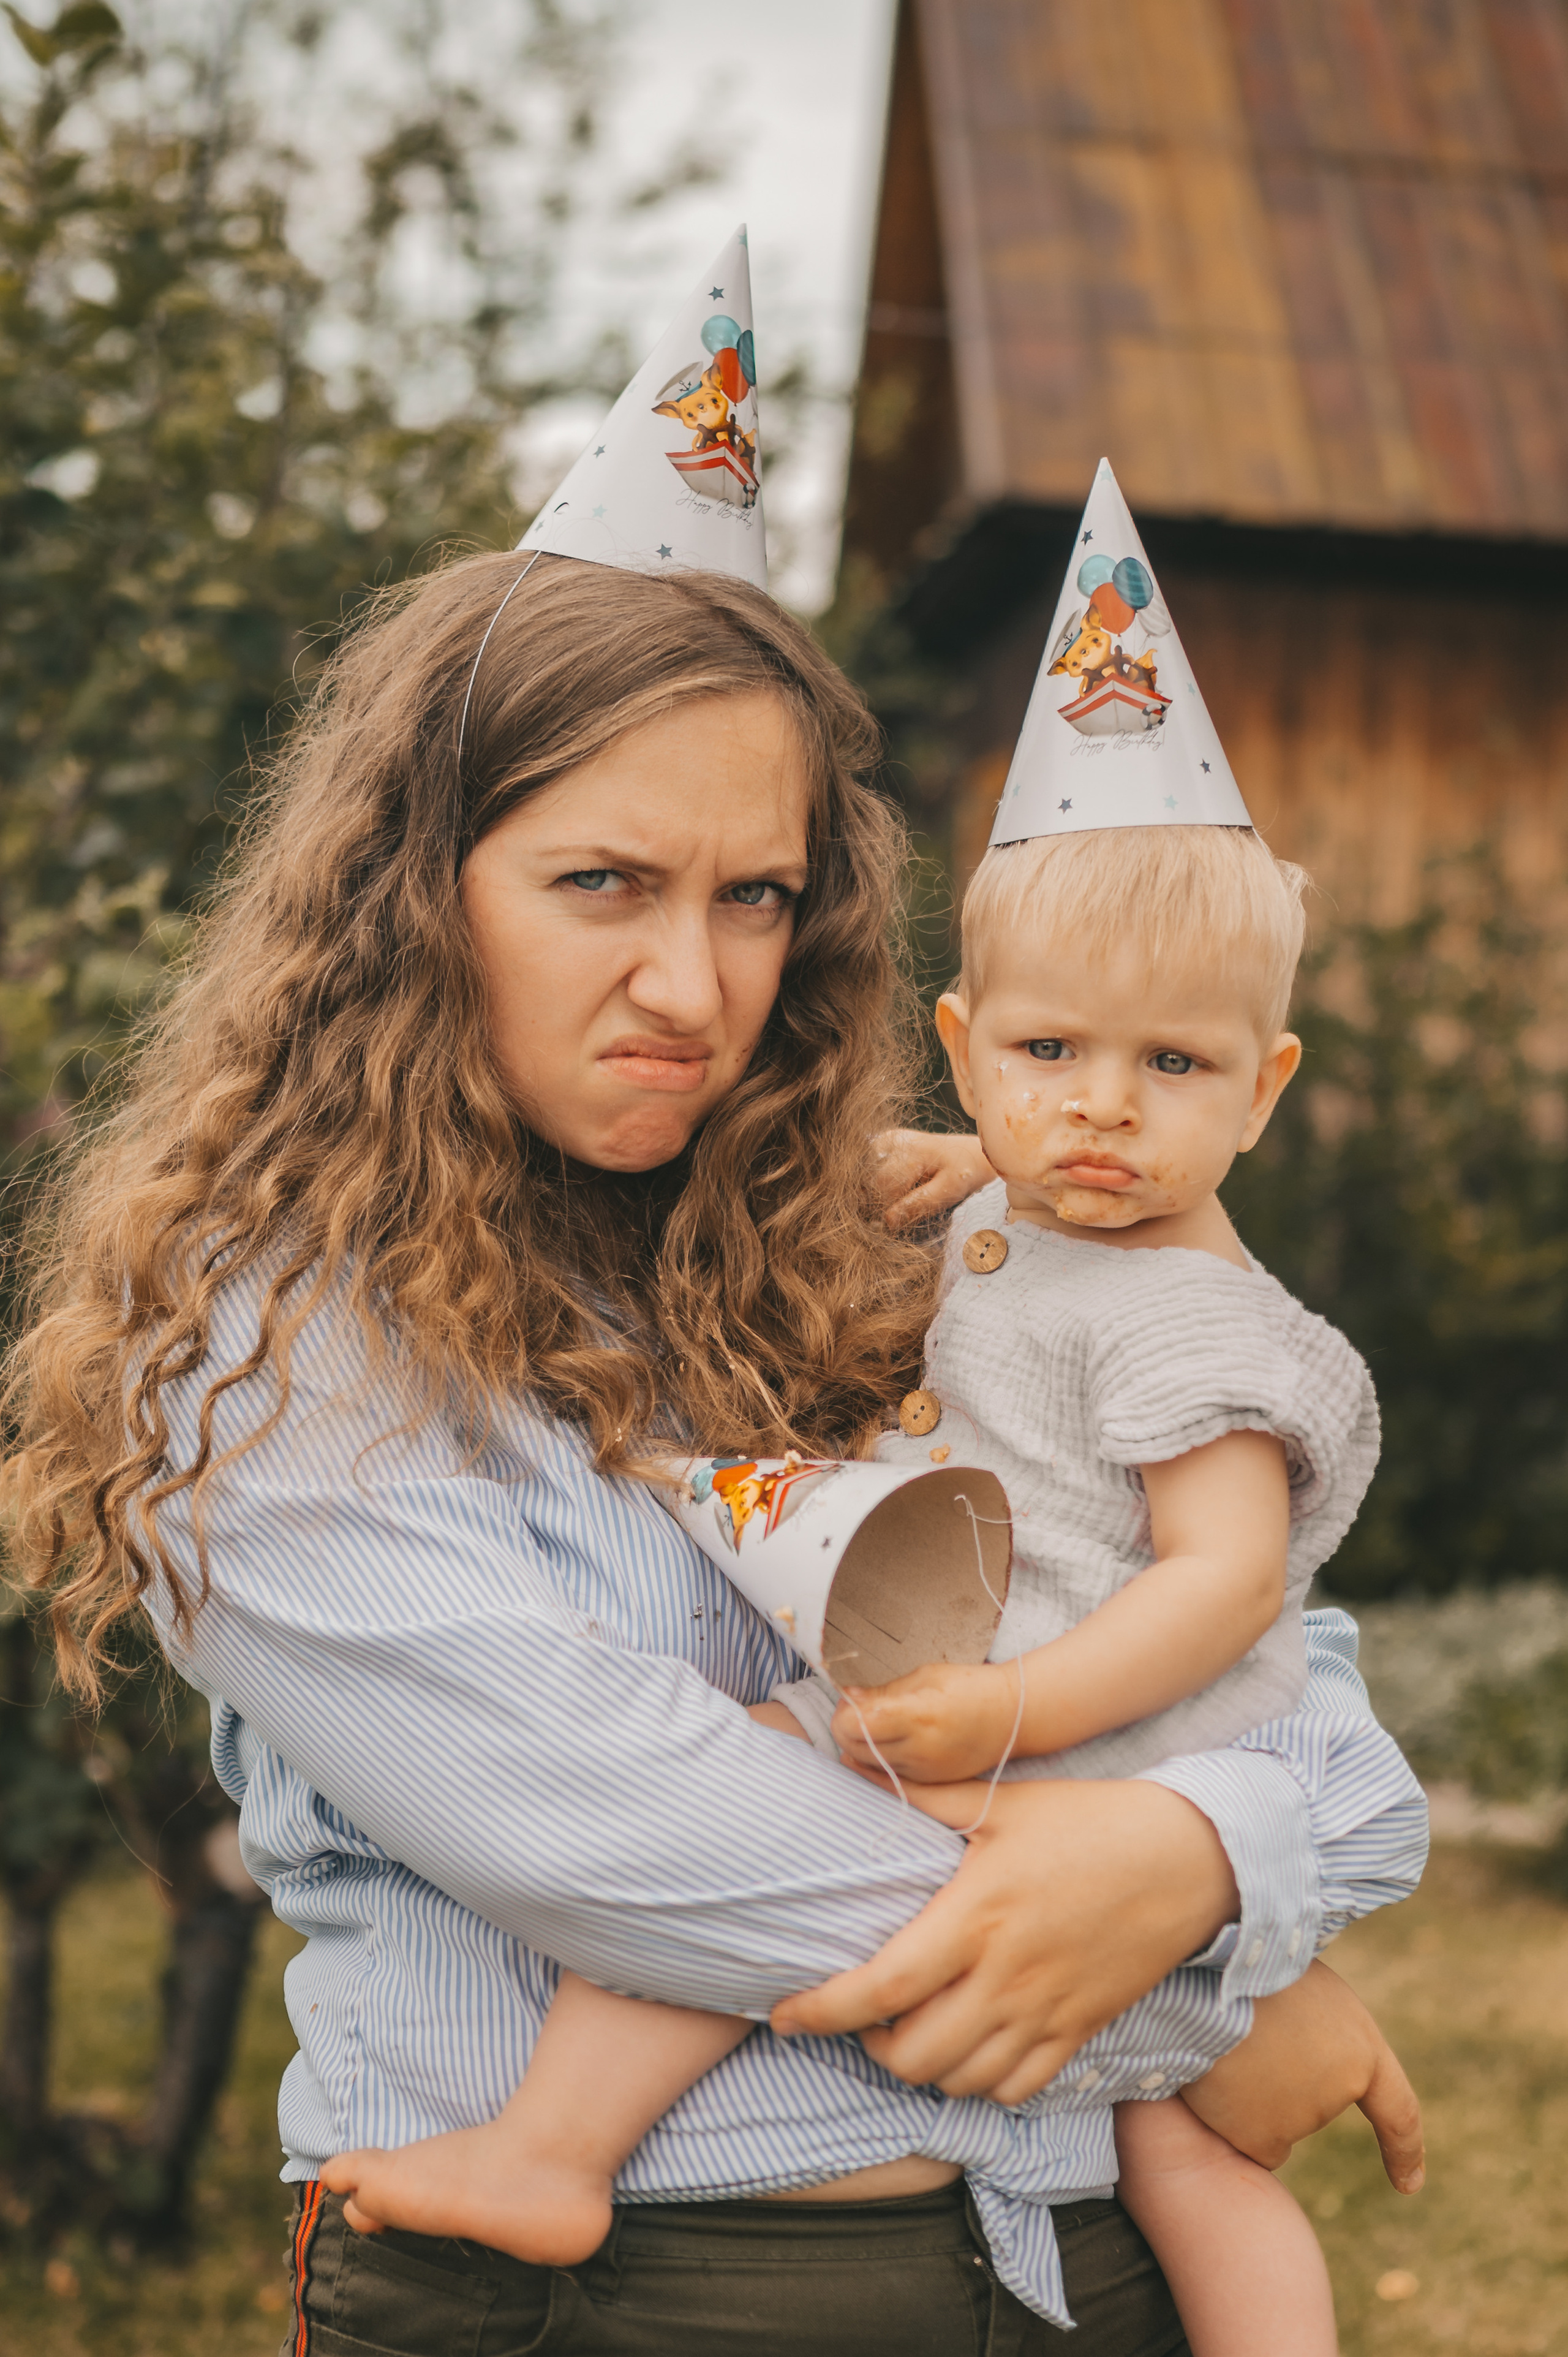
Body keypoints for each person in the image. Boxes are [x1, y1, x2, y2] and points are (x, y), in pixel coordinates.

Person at [7, 551, 1427, 2356]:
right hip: (622, 2301)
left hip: (1081, 2262)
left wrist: (1212, 1856)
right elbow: (639, 1831)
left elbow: (1283, 1663)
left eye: (755, 896)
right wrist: (1209, 1968)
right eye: (600, 881)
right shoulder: (270, 1354)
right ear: (408, 895)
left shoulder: (867, 1245)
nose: (689, 983)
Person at [318, 818, 1380, 2357]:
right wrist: (981, 1164)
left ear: (1261, 1088)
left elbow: (1226, 1583)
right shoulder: (1039, 1204)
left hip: (1057, 1710)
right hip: (1053, 1728)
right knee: (1184, 2150)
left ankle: (549, 2148)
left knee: (738, 1789)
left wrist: (1016, 1712)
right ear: (963, 1050)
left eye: (1172, 1065)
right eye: (1046, 1051)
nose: (1098, 1106)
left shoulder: (1198, 1327)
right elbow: (1039, 1197)